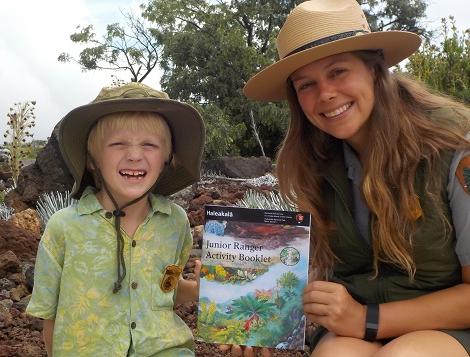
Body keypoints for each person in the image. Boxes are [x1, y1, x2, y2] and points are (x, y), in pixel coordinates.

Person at [221, 0, 470, 356]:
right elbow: (310, 269)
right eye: (306, 84)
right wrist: (252, 313)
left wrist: (367, 319)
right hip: (352, 326)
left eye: (338, 71)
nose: (325, 95)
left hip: (448, 325)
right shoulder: (312, 160)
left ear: (375, 67)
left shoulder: (454, 142)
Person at [26, 82, 205, 356]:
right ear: (92, 160)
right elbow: (50, 315)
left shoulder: (176, 222)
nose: (134, 155)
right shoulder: (64, 228)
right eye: (118, 144)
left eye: (149, 144)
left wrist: (198, 290)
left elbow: (163, 289)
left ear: (166, 159)